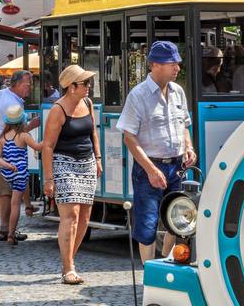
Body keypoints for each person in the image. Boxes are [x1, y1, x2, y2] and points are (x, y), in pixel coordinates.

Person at [118, 41, 197, 264]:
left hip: (178, 166)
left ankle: (165, 263)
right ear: (156, 65)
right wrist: (151, 170)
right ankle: (148, 273)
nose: (178, 68)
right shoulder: (138, 95)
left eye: (178, 63)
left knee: (179, 219)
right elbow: (128, 137)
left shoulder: (178, 91)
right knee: (148, 223)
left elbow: (184, 125)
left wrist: (188, 148)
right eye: (173, 63)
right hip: (150, 167)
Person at [42, 65, 102, 285]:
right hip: (63, 164)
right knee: (71, 216)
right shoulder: (58, 109)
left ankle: (69, 261)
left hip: (86, 163)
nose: (89, 86)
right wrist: (48, 179)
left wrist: (98, 158)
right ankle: (68, 268)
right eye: (85, 83)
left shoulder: (87, 103)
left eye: (88, 82)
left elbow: (93, 132)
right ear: (71, 86)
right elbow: (47, 146)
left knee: (85, 216)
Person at [0, 70, 41, 241]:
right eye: (29, 84)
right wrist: (33, 125)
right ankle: (5, 230)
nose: (31, 87)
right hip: (2, 146)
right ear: (18, 84)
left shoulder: (0, 93)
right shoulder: (13, 104)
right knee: (6, 191)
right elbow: (14, 134)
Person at [0, 105, 44, 245]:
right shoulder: (23, 136)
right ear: (22, 121)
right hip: (19, 172)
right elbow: (38, 147)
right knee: (15, 204)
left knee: (20, 189)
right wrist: (50, 138)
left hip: (7, 173)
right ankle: (11, 235)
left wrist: (8, 165)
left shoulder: (3, 137)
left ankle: (28, 206)